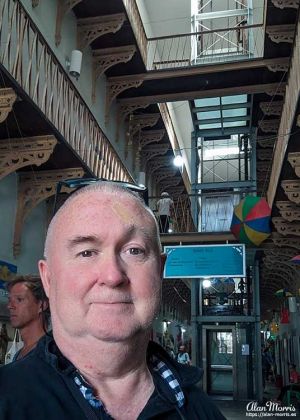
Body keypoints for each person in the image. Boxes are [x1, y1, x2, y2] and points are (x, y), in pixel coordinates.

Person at [0, 182, 225, 419]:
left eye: (134, 251)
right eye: (86, 252)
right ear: (48, 278)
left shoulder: (203, 412)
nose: (113, 276)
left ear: (159, 273)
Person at [6, 275, 50, 361]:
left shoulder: (51, 354)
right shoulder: (19, 353)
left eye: (19, 299)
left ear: (42, 305)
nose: (10, 306)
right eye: (9, 300)